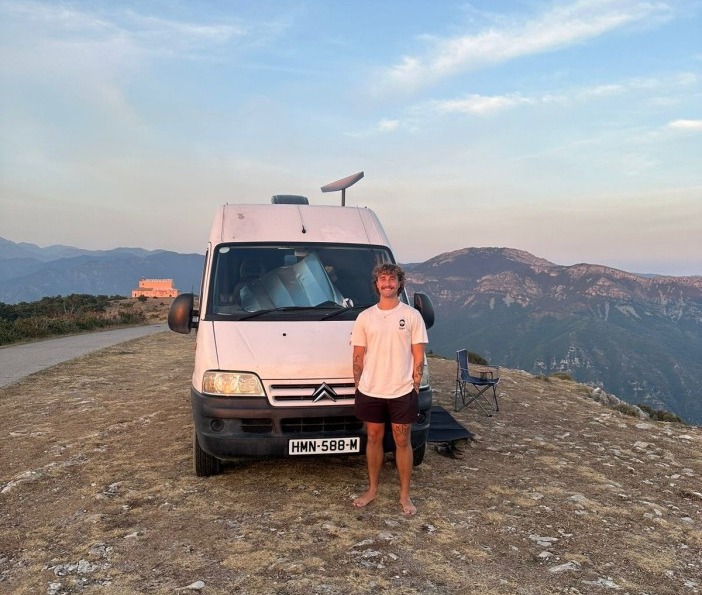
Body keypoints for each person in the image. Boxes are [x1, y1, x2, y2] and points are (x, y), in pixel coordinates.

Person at [351, 263, 428, 516]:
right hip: (371, 390)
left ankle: (405, 495)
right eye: (382, 279)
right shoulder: (365, 317)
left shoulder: (412, 316)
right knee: (373, 438)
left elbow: (419, 356)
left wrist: (415, 388)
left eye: (392, 280)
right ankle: (372, 489)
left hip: (402, 391)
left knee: (402, 441)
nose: (387, 284)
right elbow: (358, 356)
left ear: (399, 283)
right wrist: (358, 386)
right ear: (377, 284)